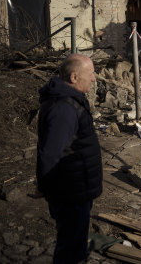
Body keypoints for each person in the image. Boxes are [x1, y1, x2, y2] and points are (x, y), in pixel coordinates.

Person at [36, 54, 103, 264]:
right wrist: (44, 186)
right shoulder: (64, 108)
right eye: (90, 74)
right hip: (71, 193)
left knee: (74, 245)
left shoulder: (69, 102)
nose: (94, 79)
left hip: (76, 187)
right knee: (70, 251)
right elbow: (50, 153)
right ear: (74, 77)